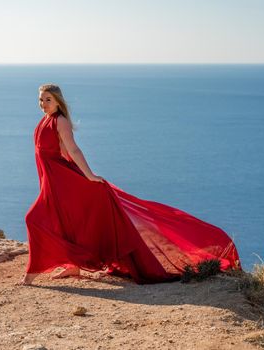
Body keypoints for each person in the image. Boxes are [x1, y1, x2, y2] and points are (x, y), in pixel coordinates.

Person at [18, 83, 241, 286]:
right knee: (66, 221)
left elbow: (73, 150)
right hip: (55, 182)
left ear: (58, 101)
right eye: (40, 100)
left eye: (48, 99)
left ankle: (31, 276)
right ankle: (73, 265)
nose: (43, 104)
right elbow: (62, 152)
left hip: (65, 180)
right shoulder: (45, 121)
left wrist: (88, 176)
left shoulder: (60, 121)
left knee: (33, 218)